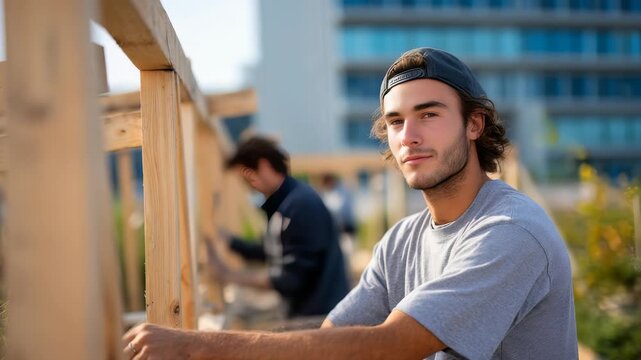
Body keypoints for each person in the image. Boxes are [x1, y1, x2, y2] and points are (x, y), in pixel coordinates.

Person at [122, 48, 578, 360]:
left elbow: (392, 344)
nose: (409, 136)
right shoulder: (401, 240)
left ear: (475, 124)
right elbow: (334, 339)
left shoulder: (510, 231)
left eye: (430, 115)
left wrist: (199, 347)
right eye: (396, 121)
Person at [206, 136, 350, 319]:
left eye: (247, 178)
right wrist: (231, 242)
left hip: (319, 318)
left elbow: (291, 278)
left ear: (264, 166)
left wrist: (230, 275)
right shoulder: (288, 204)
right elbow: (273, 250)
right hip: (312, 313)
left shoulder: (299, 206)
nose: (248, 188)